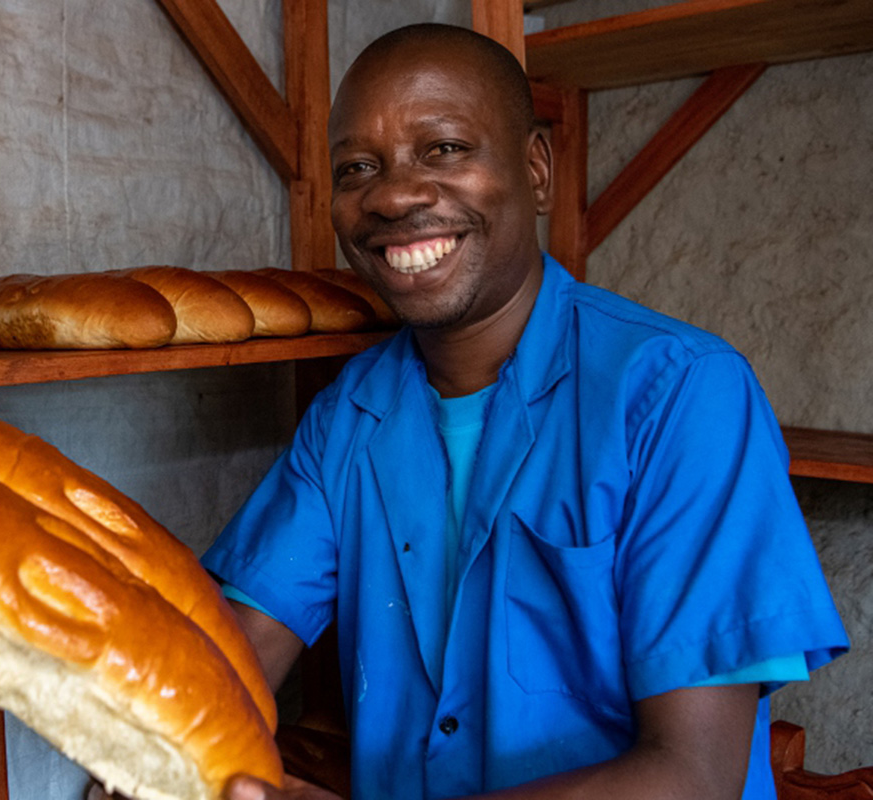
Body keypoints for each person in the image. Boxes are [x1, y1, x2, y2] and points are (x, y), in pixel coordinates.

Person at [201, 22, 849, 800]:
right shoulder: (348, 419)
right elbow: (226, 671)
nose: (394, 193)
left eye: (443, 149)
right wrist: (154, 756)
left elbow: (693, 776)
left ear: (537, 170)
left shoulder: (681, 394)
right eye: (357, 167)